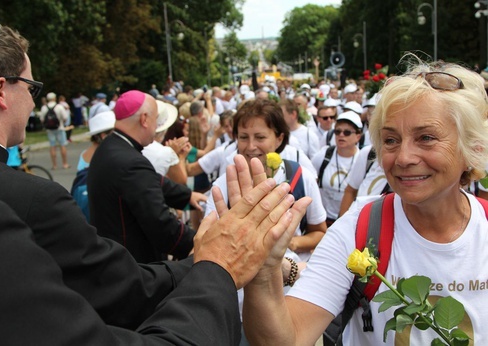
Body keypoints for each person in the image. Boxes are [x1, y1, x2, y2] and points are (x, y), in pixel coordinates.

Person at [0, 18, 311, 344]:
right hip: (130, 274)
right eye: (31, 87)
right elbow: (135, 265)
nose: (33, 99)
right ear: (0, 90)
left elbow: (158, 188)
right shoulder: (32, 197)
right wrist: (216, 261)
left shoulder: (109, 152)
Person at [243, 61, 488, 345]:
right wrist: (264, 272)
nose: (403, 157)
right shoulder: (357, 230)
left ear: (473, 148)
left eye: (426, 138)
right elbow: (287, 339)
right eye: (391, 140)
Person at [87, 90, 205, 263]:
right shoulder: (131, 162)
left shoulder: (110, 146)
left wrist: (187, 196)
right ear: (144, 119)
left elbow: (152, 180)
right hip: (133, 263)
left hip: (112, 253)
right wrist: (201, 242)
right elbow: (161, 225)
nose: (157, 126)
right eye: (156, 119)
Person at [205, 98, 327, 261]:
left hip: (292, 282)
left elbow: (319, 231)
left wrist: (290, 242)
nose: (250, 146)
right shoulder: (222, 185)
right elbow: (210, 242)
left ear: (279, 139)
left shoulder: (302, 178)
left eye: (260, 137)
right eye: (243, 137)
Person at [311, 111, 362, 225]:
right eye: (337, 131)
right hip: (323, 220)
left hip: (349, 222)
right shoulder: (324, 154)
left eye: (347, 132)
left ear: (358, 136)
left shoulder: (362, 159)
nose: (341, 135)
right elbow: (311, 177)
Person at [40, 91, 70, 169]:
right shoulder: (59, 106)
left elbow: (42, 119)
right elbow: (65, 118)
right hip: (60, 128)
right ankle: (65, 164)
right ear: (54, 98)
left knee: (52, 146)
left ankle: (54, 165)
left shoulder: (44, 107)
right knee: (62, 145)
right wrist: (61, 123)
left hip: (49, 130)